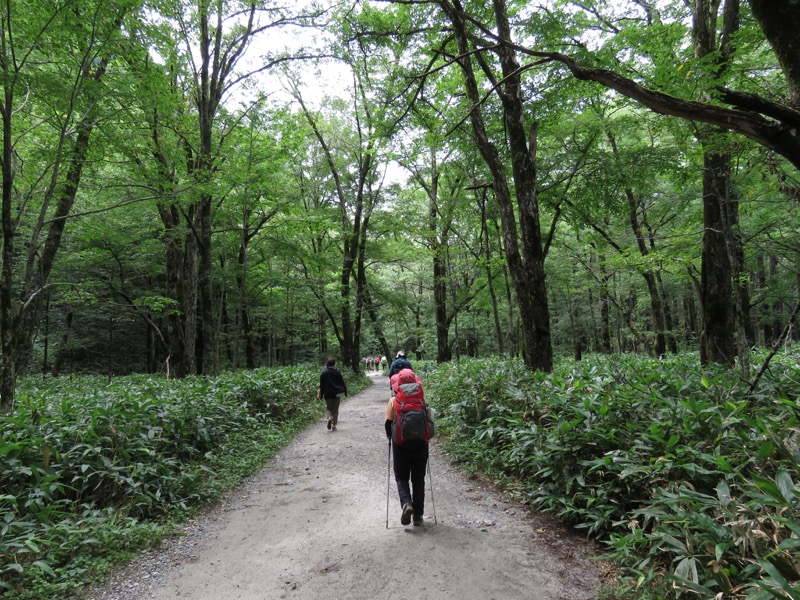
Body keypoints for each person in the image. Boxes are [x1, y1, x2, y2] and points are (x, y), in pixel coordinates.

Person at [385, 368, 430, 526]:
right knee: (418, 480)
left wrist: (390, 437)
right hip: (420, 444)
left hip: (401, 445)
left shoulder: (394, 400)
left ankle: (406, 504)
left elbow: (388, 424)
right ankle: (418, 516)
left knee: (401, 477)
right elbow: (429, 421)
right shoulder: (421, 400)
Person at [318, 357, 347, 431]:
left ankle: (329, 418)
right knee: (335, 409)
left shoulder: (324, 373)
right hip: (337, 393)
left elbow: (321, 385)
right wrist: (345, 391)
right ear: (334, 364)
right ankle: (334, 426)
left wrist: (321, 394)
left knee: (329, 408)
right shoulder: (337, 372)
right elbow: (342, 382)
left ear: (327, 364)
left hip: (328, 393)